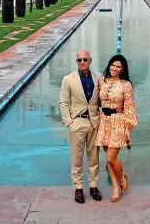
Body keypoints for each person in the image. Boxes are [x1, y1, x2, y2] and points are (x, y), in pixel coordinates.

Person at [59, 50, 102, 204]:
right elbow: (63, 102)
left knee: (94, 157)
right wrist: (69, 122)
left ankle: (93, 186)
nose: (82, 62)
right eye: (79, 60)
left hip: (94, 122)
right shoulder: (68, 79)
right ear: (76, 61)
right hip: (77, 122)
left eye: (85, 59)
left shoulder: (98, 78)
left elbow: (104, 99)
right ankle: (78, 188)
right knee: (77, 158)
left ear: (90, 60)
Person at [96, 54, 138, 203]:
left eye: (118, 66)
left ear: (122, 69)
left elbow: (130, 106)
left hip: (118, 121)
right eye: (112, 65)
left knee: (110, 158)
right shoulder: (103, 81)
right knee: (109, 159)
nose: (114, 68)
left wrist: (128, 126)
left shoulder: (125, 85)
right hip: (104, 121)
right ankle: (116, 186)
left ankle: (121, 180)